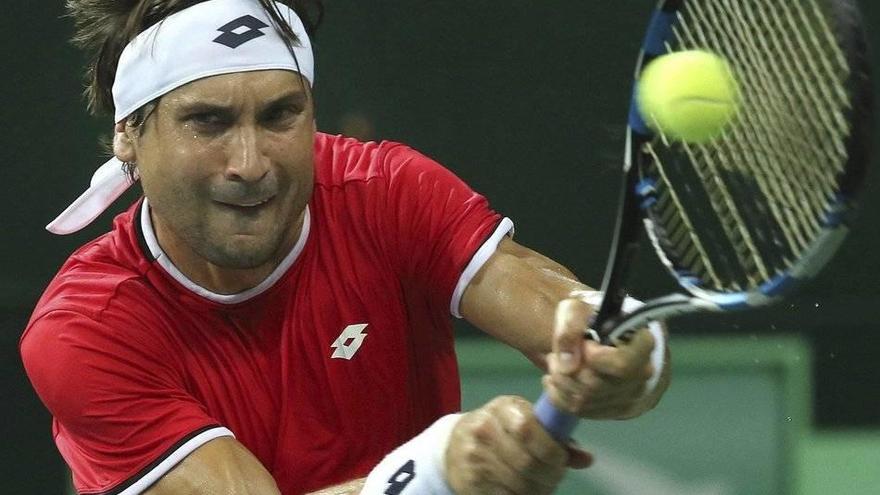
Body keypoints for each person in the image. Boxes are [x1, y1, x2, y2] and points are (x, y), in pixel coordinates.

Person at [20, 1, 670, 494]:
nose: (250, 163)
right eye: (208, 121)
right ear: (128, 134)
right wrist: (435, 473)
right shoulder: (85, 330)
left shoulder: (383, 192)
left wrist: (625, 352)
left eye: (279, 116)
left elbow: (560, 307)